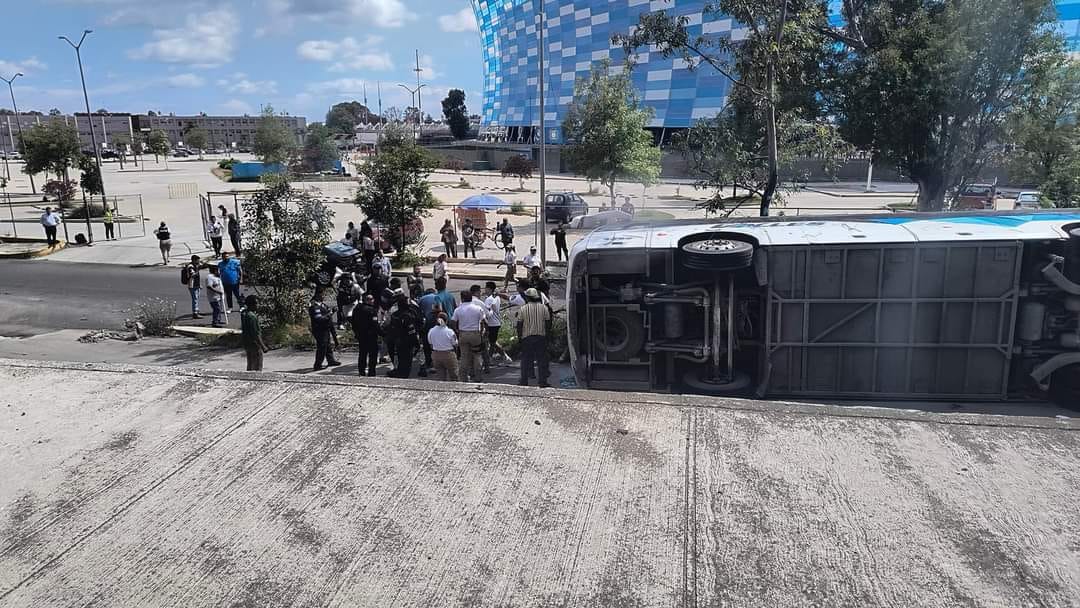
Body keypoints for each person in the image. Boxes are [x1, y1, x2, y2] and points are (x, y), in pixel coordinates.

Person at [517, 288, 552, 387]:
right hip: (541, 337)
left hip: (527, 337)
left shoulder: (523, 309)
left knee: (525, 360)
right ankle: (542, 382)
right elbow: (548, 323)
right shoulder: (544, 308)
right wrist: (547, 335)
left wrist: (520, 338)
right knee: (542, 360)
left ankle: (524, 381)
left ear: (527, 298)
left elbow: (519, 324)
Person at [452, 289, 486, 382]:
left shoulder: (458, 309)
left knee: (464, 356)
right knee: (477, 355)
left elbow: (453, 321)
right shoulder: (478, 308)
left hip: (463, 334)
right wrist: (481, 331)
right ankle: (478, 376)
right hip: (475, 334)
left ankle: (464, 378)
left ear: (462, 298)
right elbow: (483, 321)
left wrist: (457, 330)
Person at [387, 293, 422, 378]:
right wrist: (416, 344)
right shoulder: (407, 316)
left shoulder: (395, 315)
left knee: (400, 359)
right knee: (406, 362)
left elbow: (390, 329)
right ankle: (403, 376)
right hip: (407, 342)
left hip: (397, 341)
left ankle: (399, 372)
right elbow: (411, 331)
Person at [309, 289, 341, 370]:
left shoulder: (323, 305)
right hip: (319, 330)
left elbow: (327, 316)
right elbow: (319, 319)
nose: (323, 296)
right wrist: (330, 313)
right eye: (322, 295)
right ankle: (317, 364)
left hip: (326, 328)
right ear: (317, 296)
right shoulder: (314, 307)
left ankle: (330, 360)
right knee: (322, 347)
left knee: (328, 346)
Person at [351, 292, 380, 377]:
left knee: (362, 354)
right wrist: (383, 333)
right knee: (372, 355)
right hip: (371, 336)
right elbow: (375, 325)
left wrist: (356, 333)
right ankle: (371, 372)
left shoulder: (356, 309)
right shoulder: (372, 310)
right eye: (371, 299)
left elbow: (353, 322)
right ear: (367, 300)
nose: (373, 301)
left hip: (361, 335)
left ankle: (361, 371)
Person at [240, 294, 269, 371]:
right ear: (252, 305)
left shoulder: (244, 314)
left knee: (250, 362)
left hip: (246, 342)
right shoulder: (252, 317)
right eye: (257, 303)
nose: (258, 305)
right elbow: (256, 333)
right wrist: (263, 346)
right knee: (257, 364)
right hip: (254, 344)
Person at [427, 312, 459, 381]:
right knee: (454, 376)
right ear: (446, 321)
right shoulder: (450, 332)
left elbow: (431, 344)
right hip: (448, 354)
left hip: (436, 355)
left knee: (440, 378)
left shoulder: (431, 331)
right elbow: (455, 344)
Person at [484, 281, 510, 364]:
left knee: (491, 342)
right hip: (496, 323)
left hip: (491, 323)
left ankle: (489, 359)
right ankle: (504, 356)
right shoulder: (497, 297)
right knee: (492, 341)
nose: (485, 290)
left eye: (486, 288)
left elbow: (486, 312)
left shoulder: (489, 299)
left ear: (489, 289)